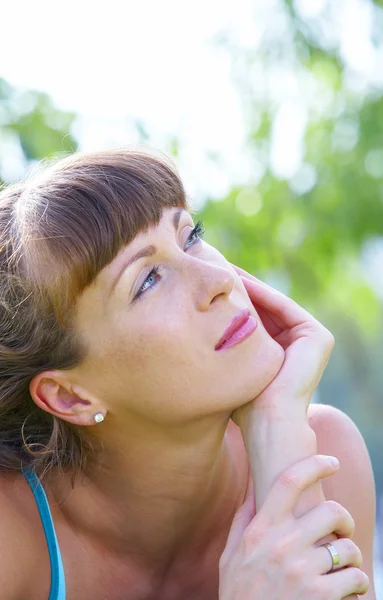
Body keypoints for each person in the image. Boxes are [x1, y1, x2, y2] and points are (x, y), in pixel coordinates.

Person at [0, 147, 376, 599]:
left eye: (190, 234)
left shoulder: (323, 456)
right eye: (148, 280)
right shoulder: (14, 540)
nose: (217, 280)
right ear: (70, 397)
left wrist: (279, 433)